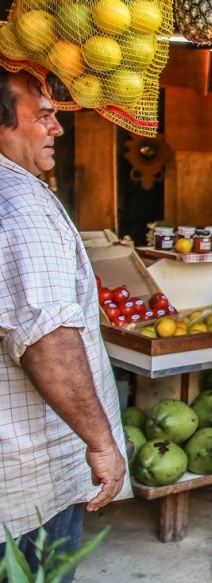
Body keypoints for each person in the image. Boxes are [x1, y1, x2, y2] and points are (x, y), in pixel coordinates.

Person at [0, 70, 130, 581]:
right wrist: (101, 443)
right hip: (31, 474)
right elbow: (48, 340)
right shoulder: (22, 204)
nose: (58, 129)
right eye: (45, 116)